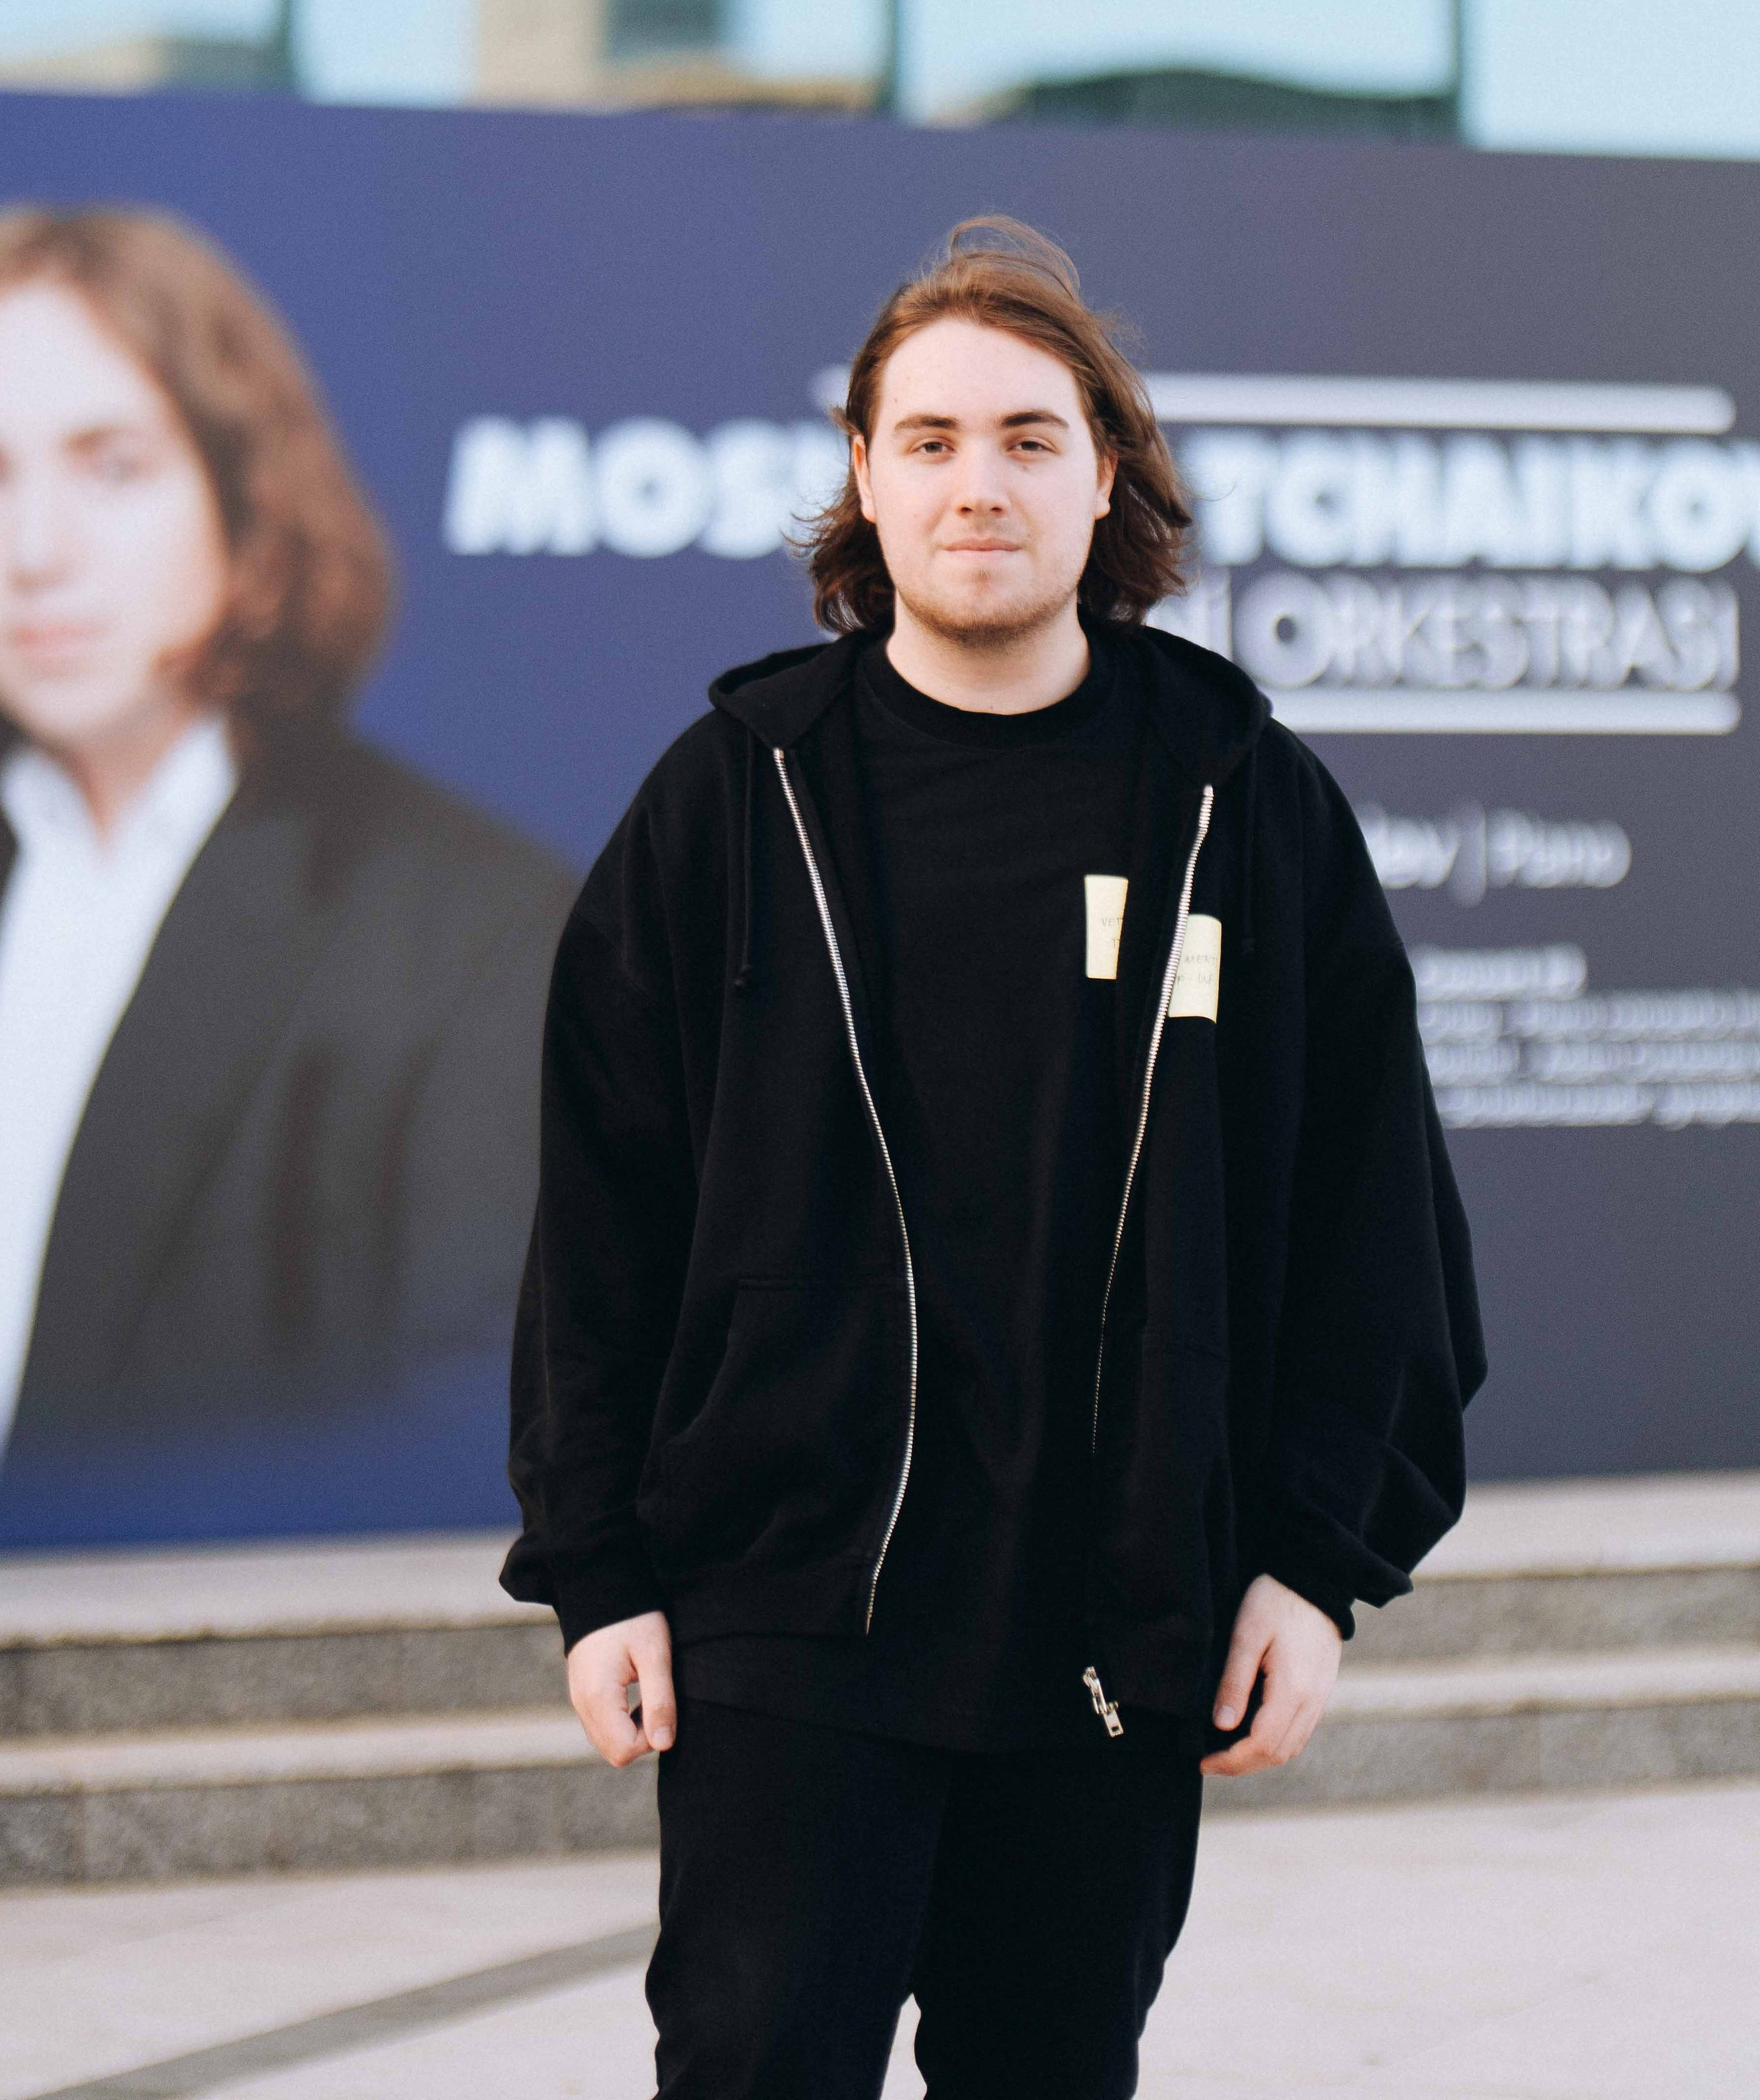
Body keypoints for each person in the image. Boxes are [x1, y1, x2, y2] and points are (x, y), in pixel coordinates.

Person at [504, 217, 1484, 2099]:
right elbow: (601, 1219)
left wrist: (1313, 1565)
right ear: (862, 479)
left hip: (1111, 1625)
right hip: (788, 1618)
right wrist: (597, 1570)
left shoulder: (1237, 801)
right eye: (932, 440)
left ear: (1103, 476)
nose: (979, 484)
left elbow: (1371, 1225)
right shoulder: (735, 798)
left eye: (1030, 439)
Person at [0, 203, 574, 1538]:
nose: (33, 551)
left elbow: (471, 1477)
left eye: (110, 465)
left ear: (246, 499)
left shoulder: (472, 931)